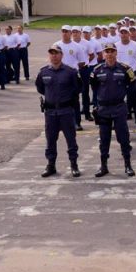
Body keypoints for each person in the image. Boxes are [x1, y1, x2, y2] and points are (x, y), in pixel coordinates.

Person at [89, 42, 136, 178]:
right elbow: (94, 86)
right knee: (104, 139)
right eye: (107, 51)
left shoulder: (125, 69)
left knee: (123, 138)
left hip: (119, 107)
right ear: (103, 54)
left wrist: (126, 100)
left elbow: (133, 85)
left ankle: (128, 165)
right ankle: (104, 166)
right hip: (103, 109)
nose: (109, 54)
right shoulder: (97, 70)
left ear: (116, 53)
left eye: (112, 51)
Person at [36, 46, 81, 178]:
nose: (54, 56)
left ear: (62, 55)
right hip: (50, 112)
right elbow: (40, 88)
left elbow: (77, 88)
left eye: (56, 54)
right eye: (52, 54)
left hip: (66, 111)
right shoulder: (43, 72)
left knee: (71, 140)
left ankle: (74, 164)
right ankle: (51, 165)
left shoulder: (70, 72)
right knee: (50, 140)